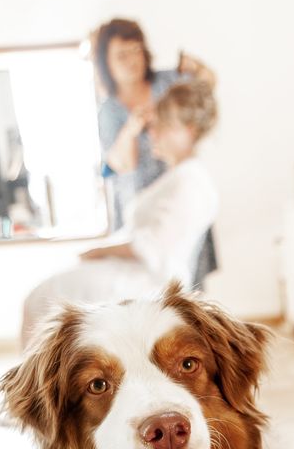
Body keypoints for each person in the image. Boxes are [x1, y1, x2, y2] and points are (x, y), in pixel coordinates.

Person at [22, 81, 218, 347]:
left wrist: (100, 252)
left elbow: (155, 247)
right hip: (137, 272)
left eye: (162, 126)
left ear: (189, 131)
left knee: (43, 297)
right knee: (43, 297)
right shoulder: (179, 176)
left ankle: (39, 383)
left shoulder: (190, 181)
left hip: (146, 281)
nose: (153, 134)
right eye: (153, 126)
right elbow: (116, 168)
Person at [94, 18, 218, 287]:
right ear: (107, 64)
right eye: (121, 55)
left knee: (184, 279)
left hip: (178, 191)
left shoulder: (169, 83)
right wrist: (131, 128)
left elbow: (205, 91)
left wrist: (195, 66)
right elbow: (121, 163)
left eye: (136, 51)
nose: (131, 61)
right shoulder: (110, 111)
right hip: (139, 203)